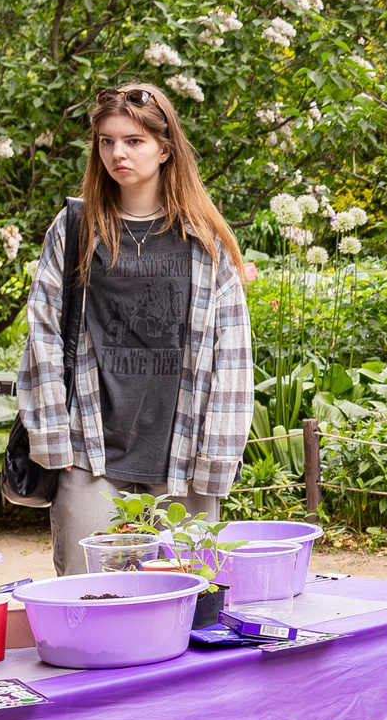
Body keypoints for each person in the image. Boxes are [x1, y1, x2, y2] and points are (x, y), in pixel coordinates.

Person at [20, 83, 254, 576]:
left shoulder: (203, 239)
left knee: (184, 598)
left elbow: (231, 352)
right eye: (106, 141)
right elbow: (42, 332)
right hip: (90, 451)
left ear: (165, 149)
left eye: (133, 141)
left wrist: (218, 456)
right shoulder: (76, 228)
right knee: (89, 596)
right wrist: (52, 439)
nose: (117, 153)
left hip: (183, 453)